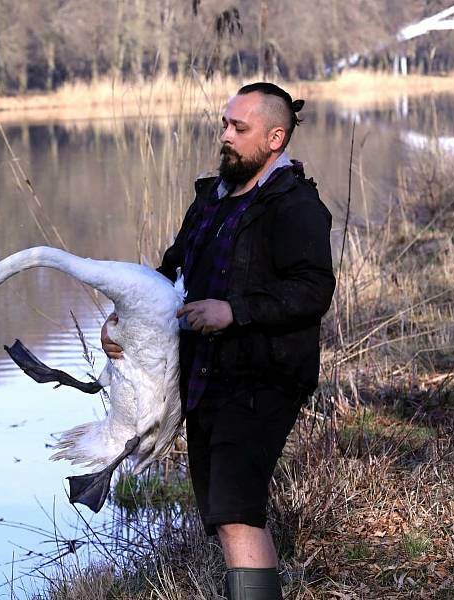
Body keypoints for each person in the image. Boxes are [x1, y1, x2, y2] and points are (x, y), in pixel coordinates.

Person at [101, 82, 336, 600]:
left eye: (239, 128)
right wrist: (121, 321)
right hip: (207, 377)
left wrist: (235, 311)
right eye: (225, 124)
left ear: (275, 138)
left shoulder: (294, 204)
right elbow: (167, 275)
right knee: (223, 509)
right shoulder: (210, 198)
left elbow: (313, 290)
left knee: (234, 510)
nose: (225, 135)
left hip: (265, 377)